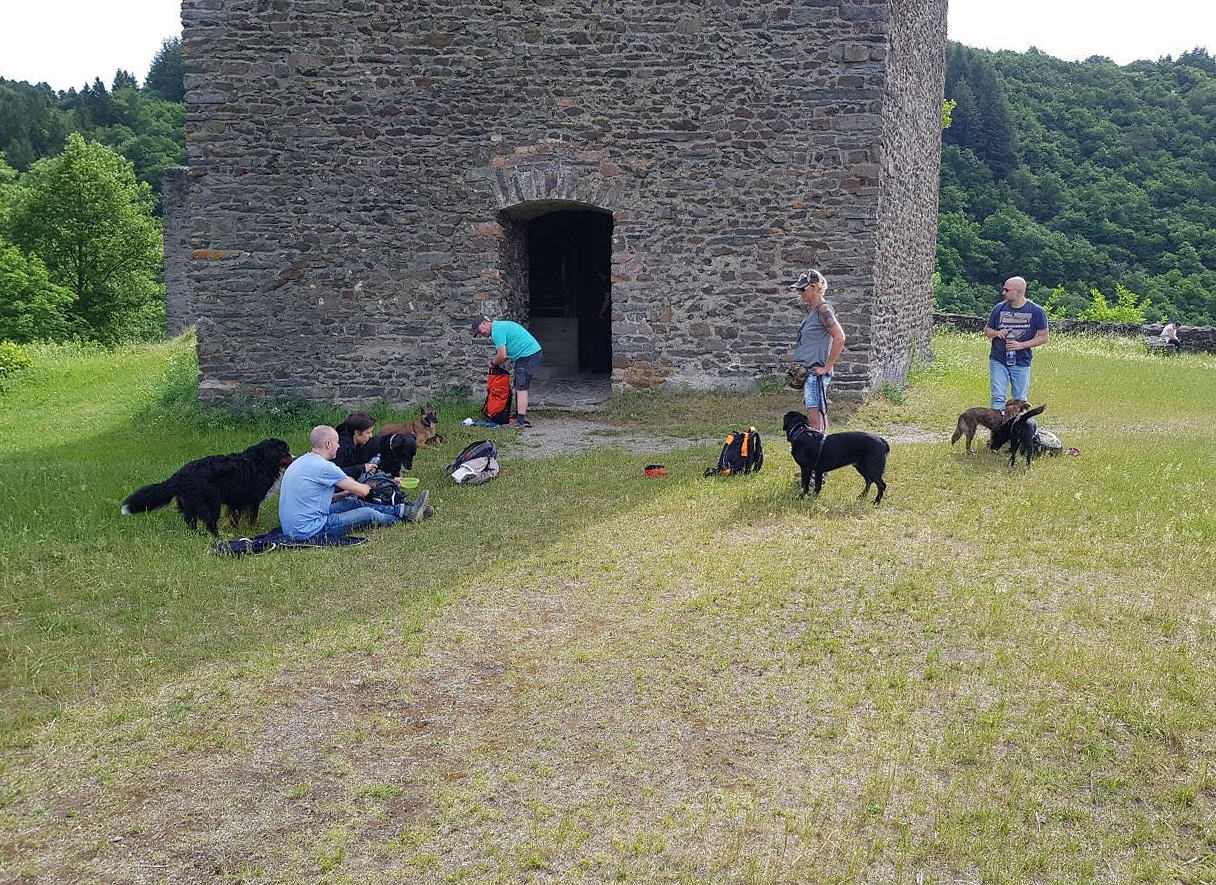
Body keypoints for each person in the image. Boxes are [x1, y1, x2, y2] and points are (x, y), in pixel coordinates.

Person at [278, 425, 430, 541]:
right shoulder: (325, 467)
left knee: (350, 502)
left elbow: (311, 499)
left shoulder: (302, 461)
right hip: (308, 530)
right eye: (337, 442)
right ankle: (406, 515)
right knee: (368, 513)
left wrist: (343, 494)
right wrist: (378, 482)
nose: (339, 446)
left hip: (292, 526)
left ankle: (404, 510)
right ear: (328, 444)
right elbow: (363, 491)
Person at [790, 269, 846, 433]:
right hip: (808, 371)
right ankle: (823, 446)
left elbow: (839, 337)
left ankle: (820, 447)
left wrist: (827, 367)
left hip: (815, 372)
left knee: (816, 422)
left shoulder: (823, 310)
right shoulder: (813, 310)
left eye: (803, 289)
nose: (800, 293)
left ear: (814, 287)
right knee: (817, 417)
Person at [984, 276, 1050, 412]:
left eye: (1006, 290)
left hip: (1021, 361)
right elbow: (987, 330)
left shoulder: (1036, 311)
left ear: (1019, 292)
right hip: (998, 359)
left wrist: (1021, 345)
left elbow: (1043, 337)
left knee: (1019, 399)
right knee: (998, 397)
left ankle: (1017, 424)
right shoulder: (999, 308)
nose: (1003, 293)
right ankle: (999, 424)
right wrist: (997, 333)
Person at [472, 317, 543, 428]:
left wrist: (492, 362)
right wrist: (496, 362)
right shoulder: (498, 327)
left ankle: (520, 421)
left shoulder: (496, 331)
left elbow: (502, 355)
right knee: (518, 384)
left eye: (480, 331)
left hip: (529, 355)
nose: (481, 334)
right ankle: (519, 416)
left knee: (521, 387)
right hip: (527, 355)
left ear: (484, 323)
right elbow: (505, 355)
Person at [334, 411, 378, 479]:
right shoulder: (341, 447)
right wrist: (361, 468)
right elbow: (334, 472)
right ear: (357, 433)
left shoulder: (359, 444)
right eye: (368, 433)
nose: (371, 436)